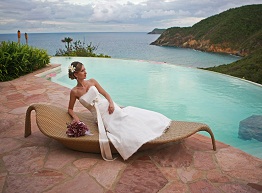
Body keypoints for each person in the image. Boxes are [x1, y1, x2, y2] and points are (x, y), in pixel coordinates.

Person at [68, 61, 171, 161]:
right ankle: (135, 140)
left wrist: (111, 103)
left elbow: (105, 94)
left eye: (85, 69)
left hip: (108, 106)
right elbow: (70, 109)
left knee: (125, 117)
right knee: (115, 129)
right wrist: (76, 118)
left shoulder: (92, 81)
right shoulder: (74, 92)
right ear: (76, 74)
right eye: (82, 71)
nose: (85, 72)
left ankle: (153, 126)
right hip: (98, 116)